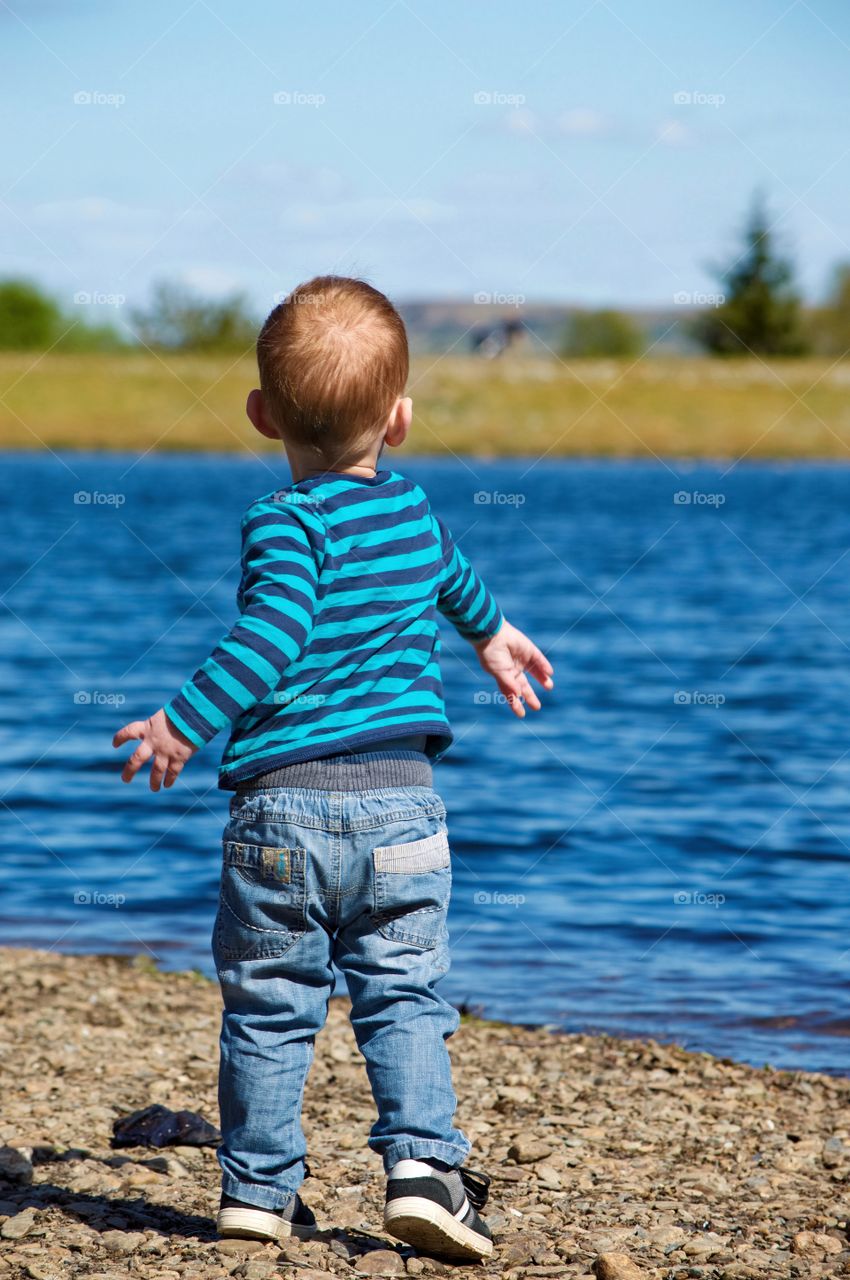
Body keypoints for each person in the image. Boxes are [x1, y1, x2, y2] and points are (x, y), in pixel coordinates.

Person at [113, 276, 553, 1261]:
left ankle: (258, 1191)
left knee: (271, 1007)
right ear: (400, 419)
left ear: (262, 413)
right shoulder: (411, 511)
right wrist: (494, 636)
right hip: (403, 808)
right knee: (404, 995)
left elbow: (269, 634)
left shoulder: (284, 522)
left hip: (281, 814)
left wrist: (183, 720)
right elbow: (451, 574)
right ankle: (423, 1172)